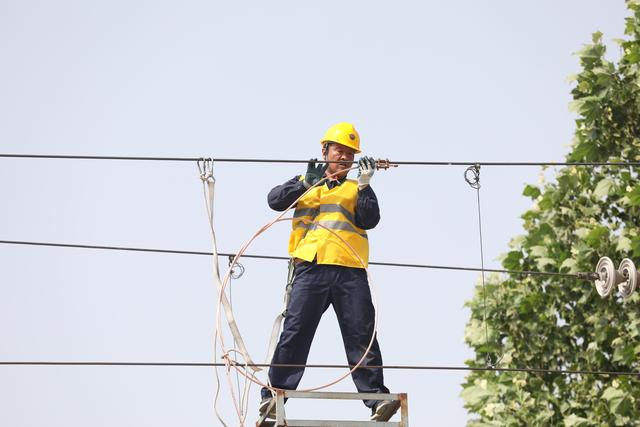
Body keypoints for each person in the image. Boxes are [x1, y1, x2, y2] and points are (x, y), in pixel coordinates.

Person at [259, 122, 400, 422]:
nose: (344, 157)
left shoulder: (356, 187)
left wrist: (364, 185)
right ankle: (274, 397)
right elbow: (274, 200)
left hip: (350, 271)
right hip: (310, 268)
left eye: (350, 153)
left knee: (362, 333)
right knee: (295, 333)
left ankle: (376, 399)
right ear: (324, 151)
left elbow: (369, 218)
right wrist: (304, 184)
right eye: (339, 150)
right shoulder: (306, 182)